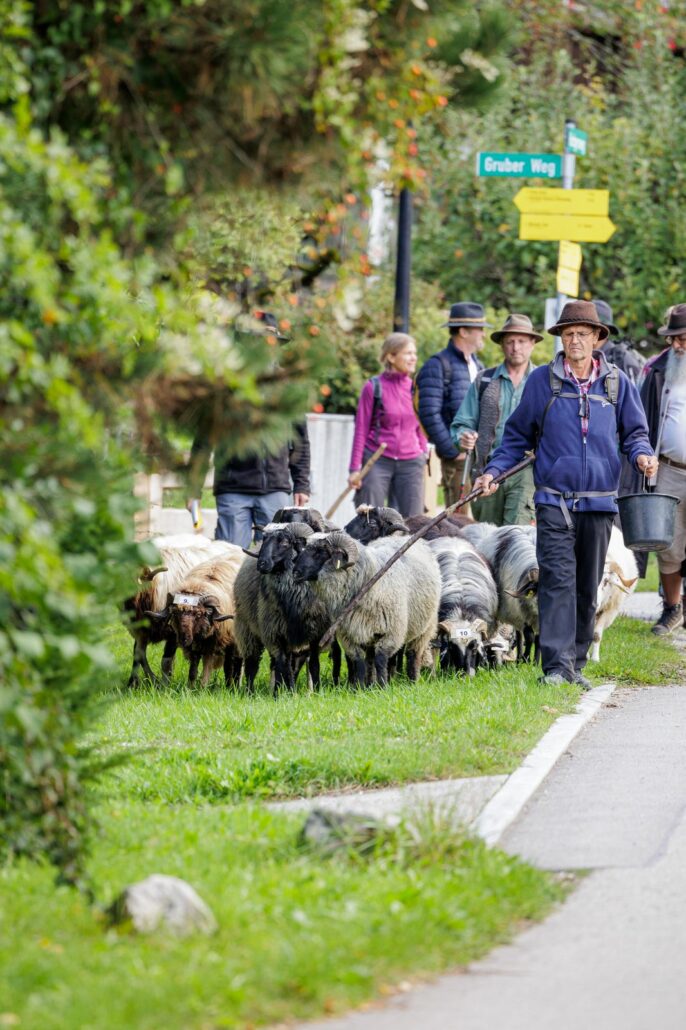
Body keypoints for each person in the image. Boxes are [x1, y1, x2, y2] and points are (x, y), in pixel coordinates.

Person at [473, 300, 657, 689]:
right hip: (554, 499)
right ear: (561, 338)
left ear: (596, 338)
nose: (575, 340)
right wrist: (491, 472)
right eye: (568, 334)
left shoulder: (616, 383)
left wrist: (642, 456)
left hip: (601, 500)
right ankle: (555, 668)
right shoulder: (544, 380)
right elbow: (517, 436)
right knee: (557, 579)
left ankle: (574, 664)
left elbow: (636, 433)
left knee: (588, 585)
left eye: (582, 334)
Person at [188, 312, 311, 548]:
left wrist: (302, 484)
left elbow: (301, 441)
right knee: (230, 561)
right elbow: (204, 439)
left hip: (275, 489)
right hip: (233, 489)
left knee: (274, 564)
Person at [450, 313, 541, 526]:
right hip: (486, 472)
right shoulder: (484, 380)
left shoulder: (543, 382)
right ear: (501, 345)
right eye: (510, 341)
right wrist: (463, 436)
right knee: (488, 539)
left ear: (533, 344)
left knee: (517, 537)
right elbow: (462, 423)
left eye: (521, 341)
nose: (515, 347)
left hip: (526, 471)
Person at [636, 302, 686, 635]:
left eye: (682, 338)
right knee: (668, 543)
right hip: (668, 468)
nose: (677, 345)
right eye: (673, 338)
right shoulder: (656, 371)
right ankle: (672, 609)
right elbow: (639, 420)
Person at [415, 302, 489, 507]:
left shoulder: (478, 365)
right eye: (480, 329)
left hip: (478, 460)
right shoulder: (437, 365)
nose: (483, 334)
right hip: (457, 461)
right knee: (459, 523)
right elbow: (428, 413)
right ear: (464, 331)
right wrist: (451, 450)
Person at [347, 333, 428, 517]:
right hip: (377, 460)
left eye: (414, 353)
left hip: (411, 462)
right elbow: (361, 429)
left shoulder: (416, 388)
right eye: (408, 353)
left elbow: (420, 426)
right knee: (369, 519)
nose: (413, 357)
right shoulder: (373, 387)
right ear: (391, 356)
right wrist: (354, 469)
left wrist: (423, 453)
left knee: (413, 522)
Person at [592, 298, 645, 383]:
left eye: (591, 326)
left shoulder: (621, 358)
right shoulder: (581, 356)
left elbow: (634, 394)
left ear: (605, 329)